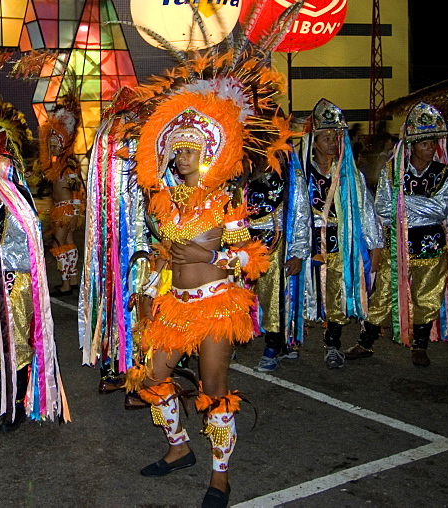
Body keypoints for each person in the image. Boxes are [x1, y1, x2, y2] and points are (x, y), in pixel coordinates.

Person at [124, 50, 285, 508]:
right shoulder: (167, 203)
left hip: (217, 304)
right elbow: (165, 251)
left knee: (214, 392)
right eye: (179, 150)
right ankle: (179, 448)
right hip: (176, 303)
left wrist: (206, 251)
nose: (184, 156)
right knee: (154, 375)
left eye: (192, 149)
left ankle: (220, 478)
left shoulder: (226, 202)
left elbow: (249, 260)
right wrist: (152, 277)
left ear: (208, 152)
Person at [0, 131, 69, 431]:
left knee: (15, 347)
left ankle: (17, 403)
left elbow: (29, 254)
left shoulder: (20, 212)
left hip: (12, 290)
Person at [367, 102, 448, 367]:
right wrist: (413, 204)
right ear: (412, 145)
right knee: (383, 292)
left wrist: (404, 202)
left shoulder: (443, 173)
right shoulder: (393, 170)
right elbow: (383, 208)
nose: (430, 148)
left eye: (432, 143)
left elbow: (440, 209)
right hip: (397, 244)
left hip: (431, 243)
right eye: (424, 144)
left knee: (427, 294)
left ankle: (420, 345)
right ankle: (366, 341)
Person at [293, 99, 382, 369]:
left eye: (336, 137)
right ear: (314, 140)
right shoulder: (301, 173)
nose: (332, 142)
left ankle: (332, 345)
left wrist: (374, 247)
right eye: (326, 137)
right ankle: (289, 340)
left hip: (342, 245)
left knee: (338, 296)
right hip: (309, 244)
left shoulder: (348, 175)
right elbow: (294, 214)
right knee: (306, 295)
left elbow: (366, 210)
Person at [80, 94, 152, 397]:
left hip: (142, 239)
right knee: (112, 299)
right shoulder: (110, 132)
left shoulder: (144, 133)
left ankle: (142, 373)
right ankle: (113, 366)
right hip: (107, 240)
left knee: (140, 301)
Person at [248, 139, 312, 372]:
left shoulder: (288, 168)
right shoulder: (241, 164)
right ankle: (232, 338)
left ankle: (274, 345)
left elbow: (301, 209)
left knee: (274, 296)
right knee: (238, 293)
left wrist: (297, 252)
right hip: (242, 240)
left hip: (276, 240)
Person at [39, 88, 85, 296]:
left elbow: (76, 190)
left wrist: (76, 213)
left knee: (59, 243)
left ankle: (66, 284)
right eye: (50, 143)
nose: (53, 146)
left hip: (66, 210)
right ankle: (72, 281)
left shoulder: (67, 165)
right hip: (65, 209)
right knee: (67, 242)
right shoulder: (60, 165)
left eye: (56, 143)